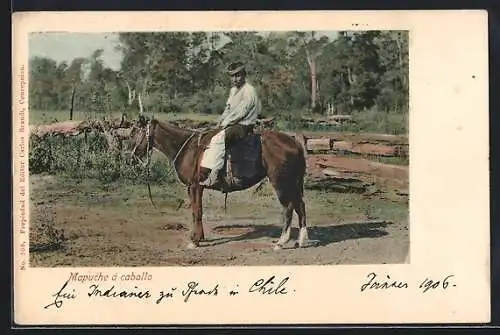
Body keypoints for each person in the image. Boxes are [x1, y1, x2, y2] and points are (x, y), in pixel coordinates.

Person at [199, 61, 262, 186]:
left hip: (243, 125)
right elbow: (228, 109)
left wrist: (225, 124)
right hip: (232, 124)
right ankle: (205, 169)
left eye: (238, 75)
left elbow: (241, 113)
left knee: (218, 138)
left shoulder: (249, 91)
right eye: (232, 76)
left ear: (244, 75)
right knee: (209, 135)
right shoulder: (233, 91)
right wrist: (219, 122)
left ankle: (215, 174)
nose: (235, 79)